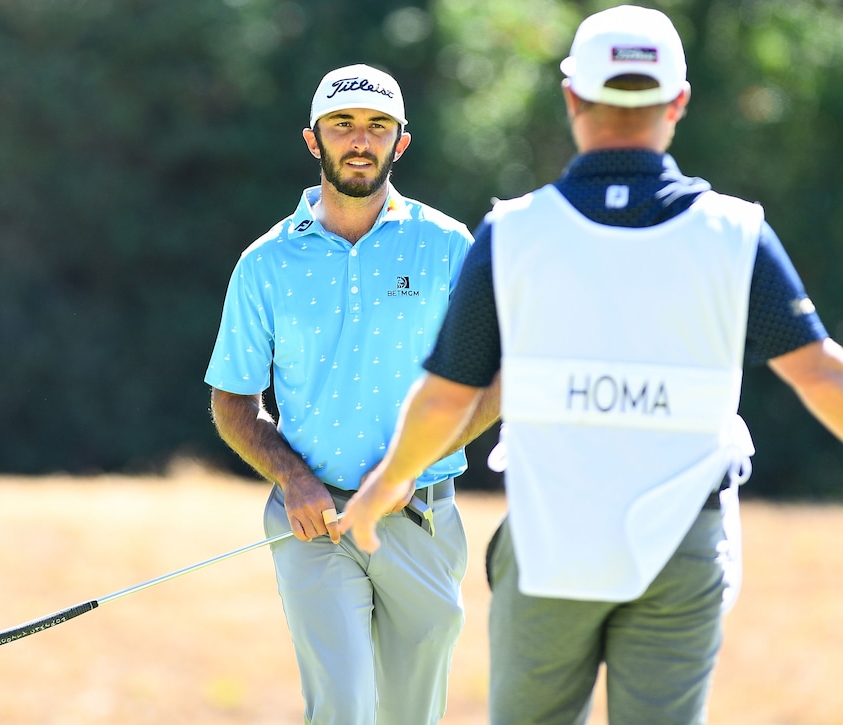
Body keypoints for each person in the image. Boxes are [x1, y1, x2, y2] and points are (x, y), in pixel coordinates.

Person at [341, 6, 843, 724]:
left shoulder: (513, 234)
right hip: (684, 541)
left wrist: (386, 483)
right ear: (679, 101)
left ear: (572, 96)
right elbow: (823, 374)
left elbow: (449, 396)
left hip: (550, 536)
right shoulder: (736, 235)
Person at [204, 63, 500, 725]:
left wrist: (405, 468)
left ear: (402, 141)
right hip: (315, 520)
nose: (360, 140)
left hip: (419, 515)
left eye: (377, 126)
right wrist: (294, 478)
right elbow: (233, 399)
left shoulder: (450, 246)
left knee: (410, 712)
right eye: (343, 124)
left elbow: (493, 382)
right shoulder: (264, 263)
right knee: (343, 707)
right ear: (314, 140)